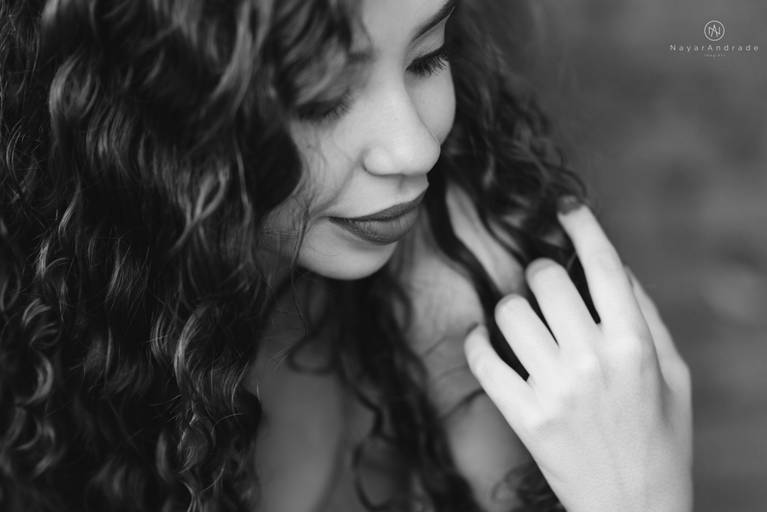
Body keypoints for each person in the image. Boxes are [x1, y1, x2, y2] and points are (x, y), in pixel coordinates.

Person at [0, 0, 692, 511]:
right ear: (158, 103)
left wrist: (635, 492)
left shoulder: (463, 286)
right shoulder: (44, 364)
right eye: (324, 95)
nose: (414, 148)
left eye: (426, 58)